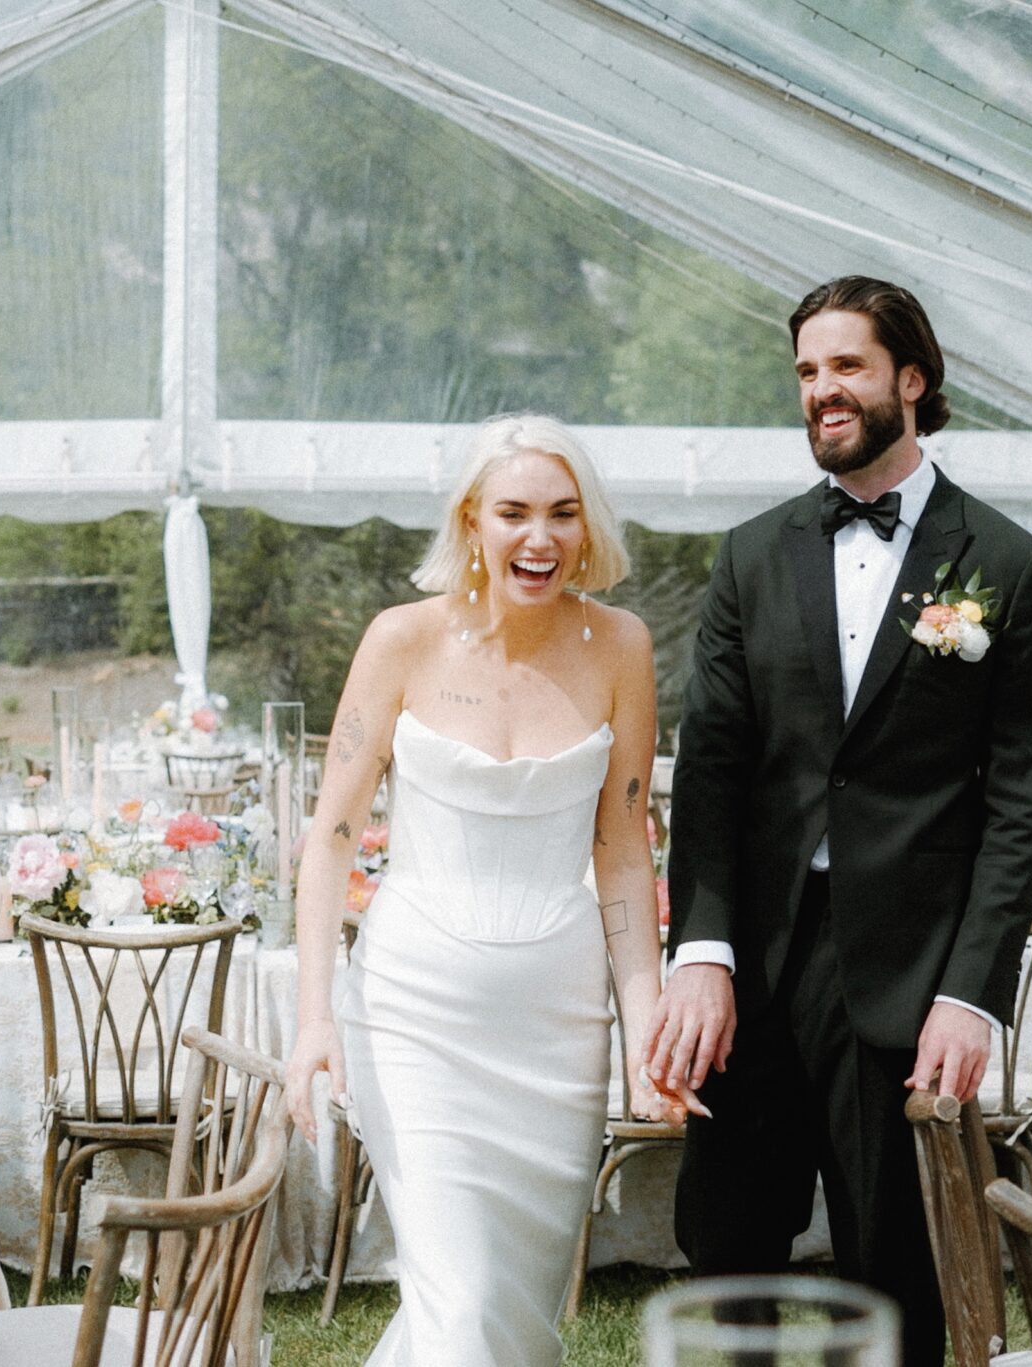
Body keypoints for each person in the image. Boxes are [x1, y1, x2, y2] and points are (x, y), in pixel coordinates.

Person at [646, 276, 1032, 1367]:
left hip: (907, 967)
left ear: (910, 380)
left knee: (894, 1265)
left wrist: (972, 989)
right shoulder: (749, 552)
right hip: (755, 961)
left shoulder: (1006, 562)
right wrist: (699, 948)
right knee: (727, 1244)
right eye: (805, 371)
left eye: (846, 366)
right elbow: (713, 768)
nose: (820, 390)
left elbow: (1021, 802)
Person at [284, 413, 689, 1366]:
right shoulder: (401, 640)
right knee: (461, 1300)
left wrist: (644, 1034)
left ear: (588, 528)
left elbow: (624, 852)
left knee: (509, 1313)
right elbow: (329, 838)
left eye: (562, 513)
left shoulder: (622, 645)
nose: (538, 537)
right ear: (472, 520)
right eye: (513, 512)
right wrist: (313, 1017)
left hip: (558, 1031)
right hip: (415, 1014)